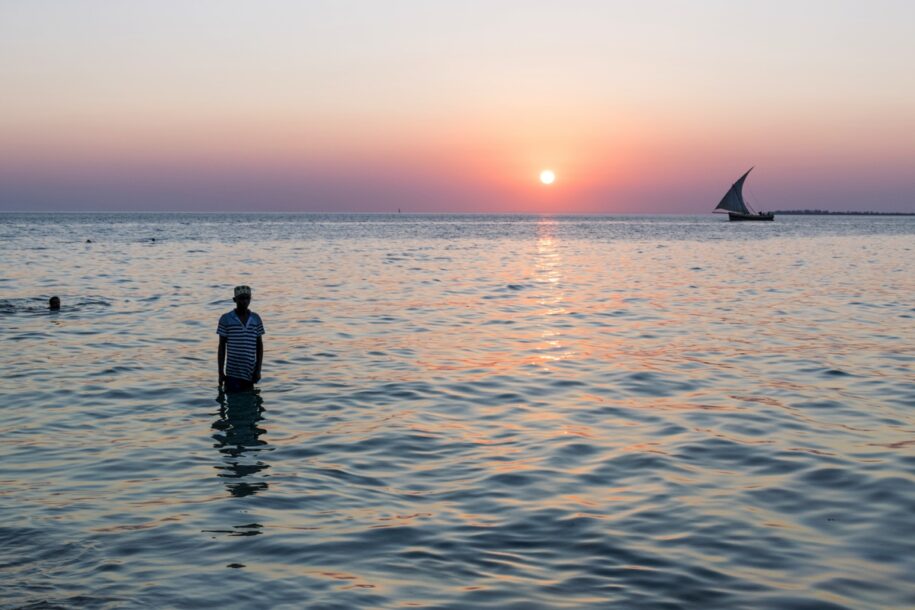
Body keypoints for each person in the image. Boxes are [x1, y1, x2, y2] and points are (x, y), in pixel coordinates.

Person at [217, 285, 265, 392]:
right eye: (241, 298)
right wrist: (220, 372)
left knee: (248, 403)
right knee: (233, 402)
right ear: (235, 300)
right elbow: (221, 347)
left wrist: (258, 369)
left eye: (247, 298)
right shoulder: (226, 319)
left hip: (249, 372)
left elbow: (259, 346)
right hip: (232, 372)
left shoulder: (256, 319)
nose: (244, 301)